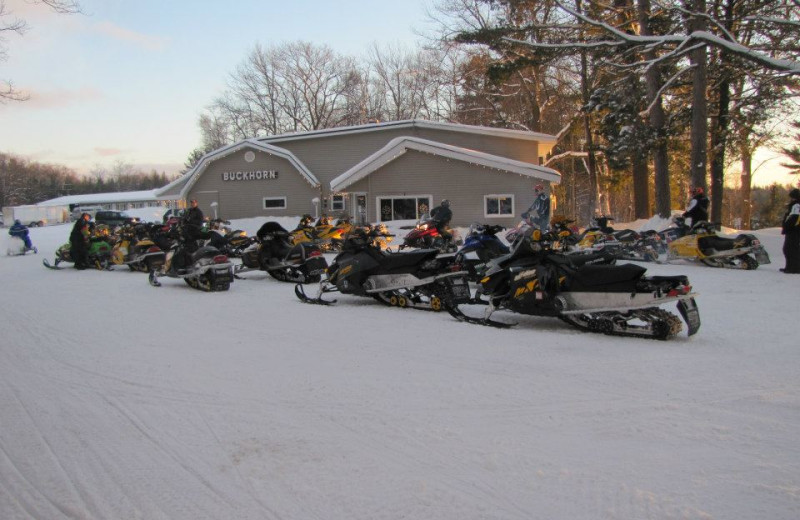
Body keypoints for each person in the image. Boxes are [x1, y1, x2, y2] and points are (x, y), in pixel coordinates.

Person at [781, 188, 800, 274]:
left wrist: (786, 227)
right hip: (793, 230)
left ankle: (794, 268)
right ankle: (789, 267)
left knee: (790, 249)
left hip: (794, 231)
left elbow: (793, 218)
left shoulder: (796, 205)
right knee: (789, 249)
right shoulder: (795, 205)